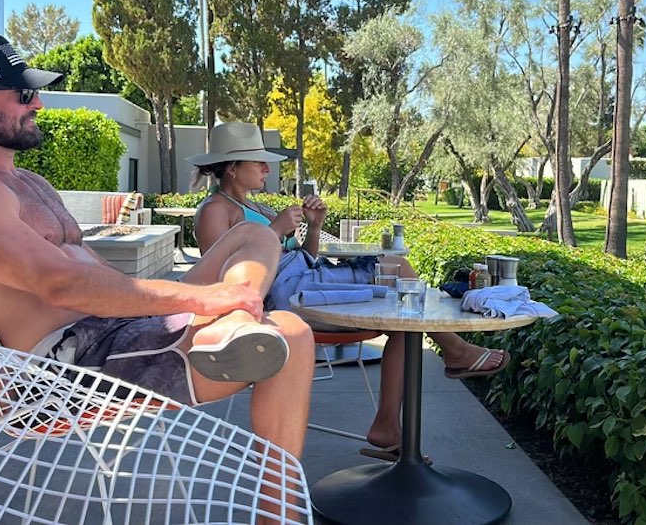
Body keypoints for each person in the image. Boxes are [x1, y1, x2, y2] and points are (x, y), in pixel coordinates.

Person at [0, 36, 315, 479]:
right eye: (24, 93)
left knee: (255, 239)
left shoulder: (25, 182)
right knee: (291, 334)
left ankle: (237, 326)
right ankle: (281, 515)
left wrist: (196, 299)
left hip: (114, 331)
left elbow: (94, 270)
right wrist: (200, 301)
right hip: (69, 368)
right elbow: (64, 284)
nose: (39, 103)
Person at [189, 122, 509, 462]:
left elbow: (306, 258)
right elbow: (219, 279)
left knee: (404, 316)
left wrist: (314, 225)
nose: (268, 168)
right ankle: (456, 352)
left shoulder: (258, 205)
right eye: (258, 162)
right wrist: (275, 231)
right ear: (233, 167)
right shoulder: (215, 210)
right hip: (282, 297)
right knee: (396, 269)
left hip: (303, 280)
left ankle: (388, 425)